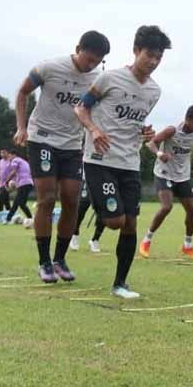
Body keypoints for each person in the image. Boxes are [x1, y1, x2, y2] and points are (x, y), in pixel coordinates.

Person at [75, 25, 167, 299]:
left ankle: (120, 284)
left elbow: (135, 123)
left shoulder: (154, 91)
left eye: (159, 57)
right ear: (136, 50)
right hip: (100, 160)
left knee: (130, 224)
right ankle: (94, 202)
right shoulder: (109, 79)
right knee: (115, 221)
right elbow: (81, 107)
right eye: (149, 55)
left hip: (129, 163)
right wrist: (93, 129)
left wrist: (146, 132)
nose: (153, 62)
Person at [12, 30, 110, 282]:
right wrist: (21, 128)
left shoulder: (98, 79)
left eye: (97, 61)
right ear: (78, 48)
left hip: (72, 144)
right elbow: (23, 92)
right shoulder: (49, 67)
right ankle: (44, 261)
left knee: (71, 199)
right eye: (89, 59)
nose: (91, 65)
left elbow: (101, 110)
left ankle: (60, 259)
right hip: (42, 137)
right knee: (46, 198)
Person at [141, 104, 193, 261]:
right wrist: (160, 153)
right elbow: (151, 143)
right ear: (187, 119)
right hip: (164, 173)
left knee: (192, 211)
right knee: (167, 207)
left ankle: (187, 246)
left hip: (182, 176)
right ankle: (146, 240)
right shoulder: (172, 130)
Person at [70, 166, 107, 253]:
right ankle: (75, 234)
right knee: (81, 208)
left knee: (103, 212)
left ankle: (95, 240)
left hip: (104, 180)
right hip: (88, 178)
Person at [0, 148, 34, 224]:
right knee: (21, 204)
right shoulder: (23, 161)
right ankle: (30, 218)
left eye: (9, 156)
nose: (9, 158)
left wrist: (7, 181)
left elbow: (14, 172)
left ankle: (8, 219)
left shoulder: (15, 160)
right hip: (29, 183)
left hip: (24, 184)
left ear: (13, 155)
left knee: (17, 203)